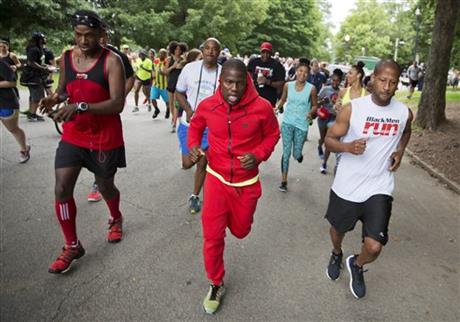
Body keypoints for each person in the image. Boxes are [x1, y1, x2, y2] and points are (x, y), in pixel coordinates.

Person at [188, 59, 280, 314]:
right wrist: (194, 146)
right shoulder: (208, 105)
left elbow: (273, 134)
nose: (234, 88)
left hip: (246, 183)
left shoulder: (262, 108)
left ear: (247, 81)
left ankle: (233, 219)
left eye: (240, 83)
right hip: (216, 179)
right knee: (213, 236)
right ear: (220, 82)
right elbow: (196, 126)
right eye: (229, 82)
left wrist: (259, 154)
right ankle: (215, 283)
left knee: (240, 231)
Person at [38, 9, 126, 274]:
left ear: (100, 34)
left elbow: (118, 103)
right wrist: (54, 98)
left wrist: (80, 107)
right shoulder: (67, 57)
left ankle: (115, 217)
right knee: (62, 188)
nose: (83, 41)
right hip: (74, 135)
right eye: (78, 35)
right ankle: (72, 245)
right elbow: (64, 89)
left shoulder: (112, 61)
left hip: (104, 138)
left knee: (105, 186)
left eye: (89, 35)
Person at [324, 59, 413, 299]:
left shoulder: (403, 112)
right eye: (383, 80)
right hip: (348, 185)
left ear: (397, 86)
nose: (386, 86)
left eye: (392, 82)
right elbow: (329, 140)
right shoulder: (354, 108)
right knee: (337, 229)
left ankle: (357, 264)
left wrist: (400, 151)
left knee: (374, 247)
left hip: (380, 186)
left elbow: (406, 129)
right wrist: (348, 147)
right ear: (372, 79)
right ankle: (336, 253)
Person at [87, 23, 136, 203]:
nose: (100, 39)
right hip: (86, 110)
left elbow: (131, 77)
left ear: (106, 37)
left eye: (103, 36)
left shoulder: (117, 57)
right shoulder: (82, 54)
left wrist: (121, 95)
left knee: (102, 147)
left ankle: (98, 183)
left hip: (108, 109)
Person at [175, 38, 221, 214]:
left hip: (210, 128)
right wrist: (187, 109)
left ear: (219, 52)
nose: (210, 51)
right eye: (207, 48)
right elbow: (179, 92)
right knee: (187, 163)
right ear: (203, 50)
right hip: (189, 124)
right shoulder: (190, 69)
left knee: (202, 163)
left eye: (214, 49)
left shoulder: (223, 73)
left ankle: (195, 196)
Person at [276, 59, 317, 192]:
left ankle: (298, 155)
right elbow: (283, 99)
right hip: (287, 123)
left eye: (305, 72)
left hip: (301, 125)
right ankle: (284, 180)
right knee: (286, 153)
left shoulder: (312, 89)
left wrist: (311, 113)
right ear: (296, 71)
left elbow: (315, 105)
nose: (302, 74)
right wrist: (277, 108)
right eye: (300, 71)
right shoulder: (288, 85)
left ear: (308, 74)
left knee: (295, 154)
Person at [0, 60, 30, 163]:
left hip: (5, 102)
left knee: (13, 129)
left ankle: (24, 149)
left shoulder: (2, 64)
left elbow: (12, 82)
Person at [22, 32, 54, 121]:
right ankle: (32, 114)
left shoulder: (38, 49)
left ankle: (32, 113)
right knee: (37, 96)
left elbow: (38, 62)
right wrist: (43, 69)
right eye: (43, 38)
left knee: (34, 95)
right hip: (33, 76)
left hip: (36, 76)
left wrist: (45, 66)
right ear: (39, 39)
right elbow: (31, 62)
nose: (45, 39)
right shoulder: (34, 49)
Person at [317, 69, 343, 174]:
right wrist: (322, 101)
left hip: (333, 118)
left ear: (340, 81)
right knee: (323, 139)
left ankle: (324, 164)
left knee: (328, 140)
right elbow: (317, 102)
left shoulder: (341, 92)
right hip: (323, 116)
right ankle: (319, 146)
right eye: (333, 80)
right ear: (331, 79)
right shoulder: (325, 89)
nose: (335, 82)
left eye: (337, 81)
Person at [247, 42, 285, 107]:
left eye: (267, 53)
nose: (265, 55)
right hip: (253, 97)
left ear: (271, 53)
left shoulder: (277, 65)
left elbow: (281, 84)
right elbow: (247, 74)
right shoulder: (254, 62)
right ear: (260, 52)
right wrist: (252, 81)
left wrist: (268, 82)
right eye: (263, 52)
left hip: (269, 99)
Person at [163, 41, 188, 132]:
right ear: (172, 49)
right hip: (171, 82)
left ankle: (175, 121)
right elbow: (165, 71)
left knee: (176, 104)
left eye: (179, 49)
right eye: (176, 49)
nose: (178, 50)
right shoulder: (169, 59)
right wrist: (173, 66)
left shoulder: (183, 59)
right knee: (171, 103)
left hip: (180, 84)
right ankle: (173, 120)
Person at [150, 48, 169, 119]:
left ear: (165, 55)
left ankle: (168, 110)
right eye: (160, 53)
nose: (161, 55)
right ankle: (157, 109)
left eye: (163, 54)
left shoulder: (167, 61)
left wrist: (165, 73)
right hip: (155, 84)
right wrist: (153, 74)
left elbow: (168, 71)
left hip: (164, 85)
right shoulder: (156, 61)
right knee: (152, 98)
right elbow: (153, 68)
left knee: (167, 101)